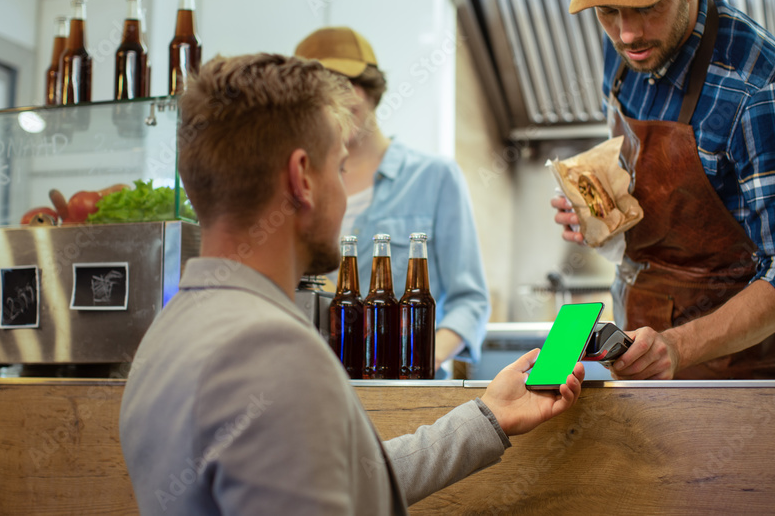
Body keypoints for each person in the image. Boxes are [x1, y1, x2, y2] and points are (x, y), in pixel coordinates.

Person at [119, 53, 585, 514]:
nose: (347, 193)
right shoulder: (271, 350)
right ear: (302, 178)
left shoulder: (164, 335)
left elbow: (344, 478)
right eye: (340, 168)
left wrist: (488, 419)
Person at [552, 0, 775, 379]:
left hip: (734, 375)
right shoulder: (625, 51)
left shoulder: (765, 90)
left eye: (646, 7)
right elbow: (644, 181)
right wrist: (602, 215)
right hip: (636, 343)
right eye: (607, 12)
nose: (627, 33)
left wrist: (678, 345)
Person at [294, 27, 489, 377]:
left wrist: (419, 361)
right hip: (319, 383)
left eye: (343, 87)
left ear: (369, 91)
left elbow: (469, 300)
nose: (333, 107)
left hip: (405, 390)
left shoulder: (435, 177)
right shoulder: (300, 185)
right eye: (316, 97)